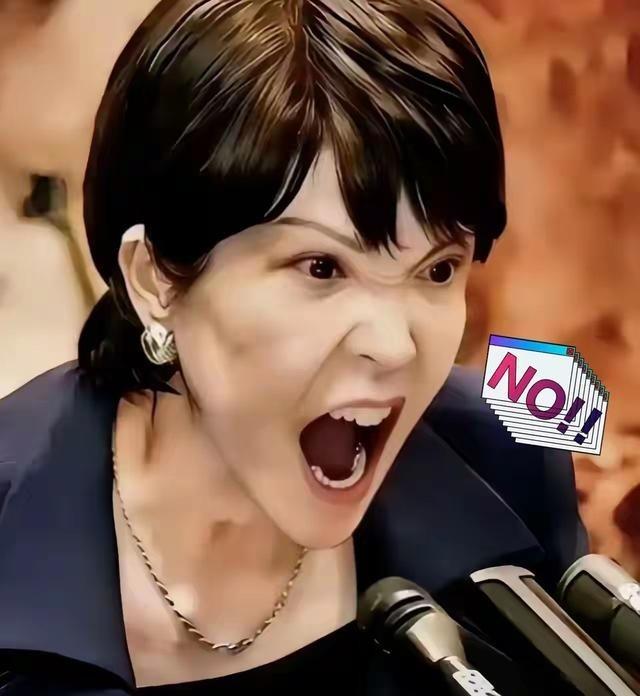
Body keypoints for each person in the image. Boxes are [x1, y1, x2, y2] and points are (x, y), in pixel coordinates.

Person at [0, 1, 588, 694]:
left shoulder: (516, 440)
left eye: (437, 270)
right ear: (154, 277)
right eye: (322, 268)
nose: (394, 347)